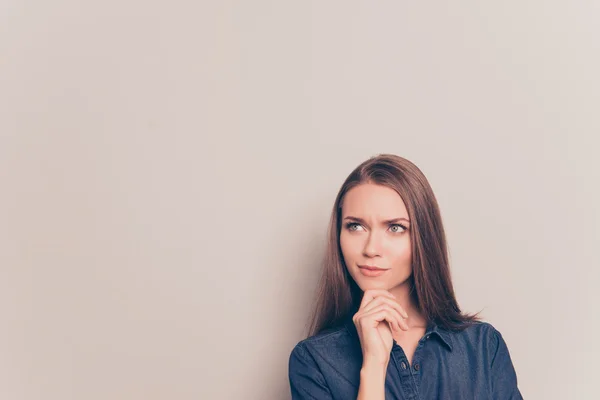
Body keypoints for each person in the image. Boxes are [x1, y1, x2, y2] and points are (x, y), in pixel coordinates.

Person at [288, 154, 523, 399]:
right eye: (355, 226)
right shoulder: (314, 361)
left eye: (395, 228)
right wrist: (373, 367)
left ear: (423, 237)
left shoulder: (482, 347)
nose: (371, 249)